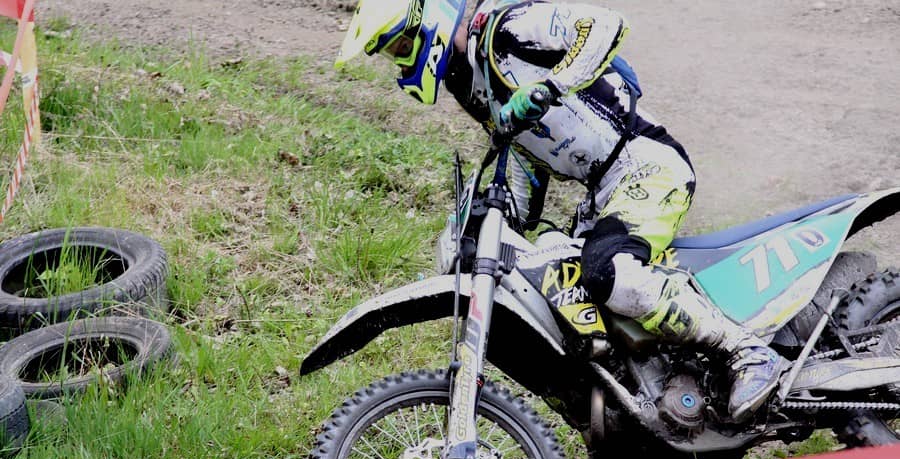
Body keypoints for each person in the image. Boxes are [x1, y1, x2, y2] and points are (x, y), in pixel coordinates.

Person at [335, 0, 787, 423]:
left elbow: (605, 26)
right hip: (600, 192)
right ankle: (623, 443)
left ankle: (745, 351)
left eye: (399, 46)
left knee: (609, 272)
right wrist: (490, 218)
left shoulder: (506, 28)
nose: (400, 63)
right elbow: (527, 159)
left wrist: (550, 86)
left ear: (428, 20)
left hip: (645, 164)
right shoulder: (472, 83)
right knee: (563, 301)